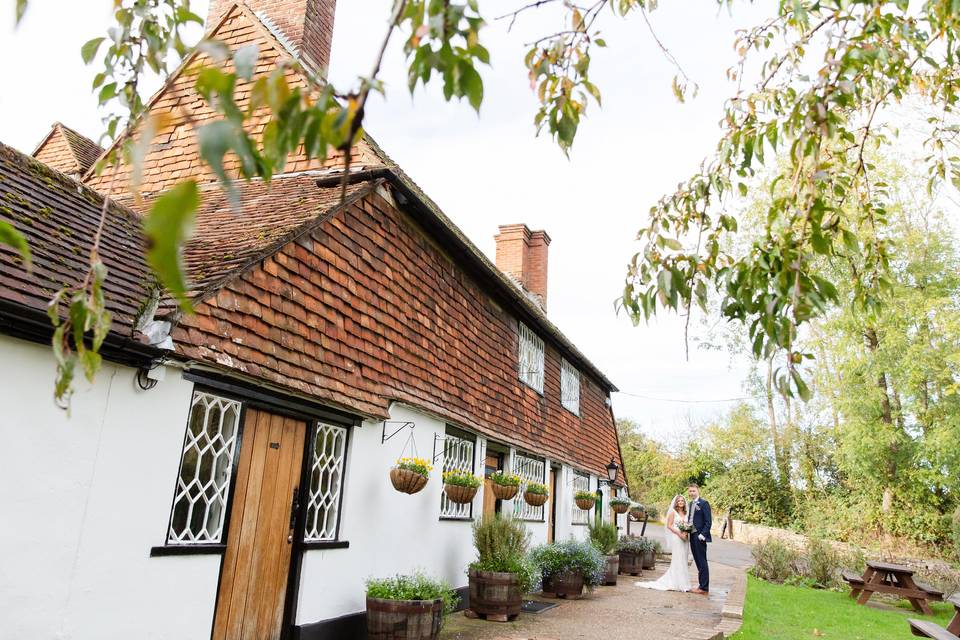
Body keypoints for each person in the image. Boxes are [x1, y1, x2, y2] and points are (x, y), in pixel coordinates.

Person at [635, 495, 691, 592]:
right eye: (679, 501)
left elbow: (688, 525)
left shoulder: (686, 513)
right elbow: (669, 526)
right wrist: (679, 533)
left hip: (685, 539)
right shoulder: (673, 513)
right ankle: (676, 582)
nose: (681, 502)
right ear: (676, 502)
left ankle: (684, 582)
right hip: (677, 538)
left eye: (682, 501)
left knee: (683, 559)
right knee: (678, 559)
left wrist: (686, 532)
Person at [687, 482, 712, 594]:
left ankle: (704, 588)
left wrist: (702, 535)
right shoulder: (690, 504)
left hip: (699, 536)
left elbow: (708, 522)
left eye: (693, 491)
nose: (692, 493)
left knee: (702, 561)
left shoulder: (704, 503)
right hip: (692, 535)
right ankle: (701, 585)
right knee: (697, 561)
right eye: (690, 491)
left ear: (698, 491)